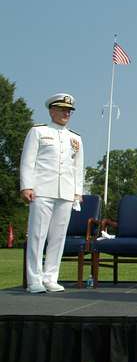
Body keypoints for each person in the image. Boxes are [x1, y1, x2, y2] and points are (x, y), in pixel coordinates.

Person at [20, 93, 84, 293]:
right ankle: (34, 280)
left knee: (58, 237)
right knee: (38, 236)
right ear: (51, 110)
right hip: (42, 190)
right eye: (62, 109)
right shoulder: (38, 132)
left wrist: (77, 192)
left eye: (69, 110)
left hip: (65, 192)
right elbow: (27, 161)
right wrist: (26, 186)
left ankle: (51, 277)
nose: (67, 113)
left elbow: (78, 168)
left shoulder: (75, 138)